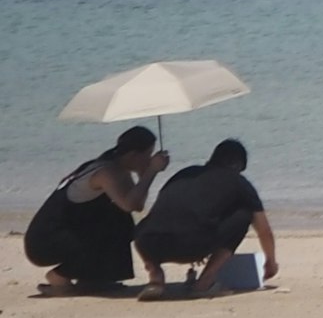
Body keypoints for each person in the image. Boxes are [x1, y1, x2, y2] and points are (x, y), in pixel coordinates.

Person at [22, 126, 161, 295]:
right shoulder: (105, 172)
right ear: (133, 155)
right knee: (119, 223)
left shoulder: (116, 168)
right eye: (147, 155)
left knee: (121, 220)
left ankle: (93, 279)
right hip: (44, 242)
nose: (149, 160)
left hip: (62, 235)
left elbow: (137, 205)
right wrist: (151, 172)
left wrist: (143, 175)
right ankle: (59, 276)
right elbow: (129, 205)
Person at [134, 140, 273, 295]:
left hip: (149, 244)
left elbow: (169, 208)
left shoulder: (185, 173)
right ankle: (205, 282)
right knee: (243, 215)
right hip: (192, 245)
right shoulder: (239, 182)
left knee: (146, 224)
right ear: (237, 166)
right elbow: (264, 230)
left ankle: (156, 276)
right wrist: (270, 262)